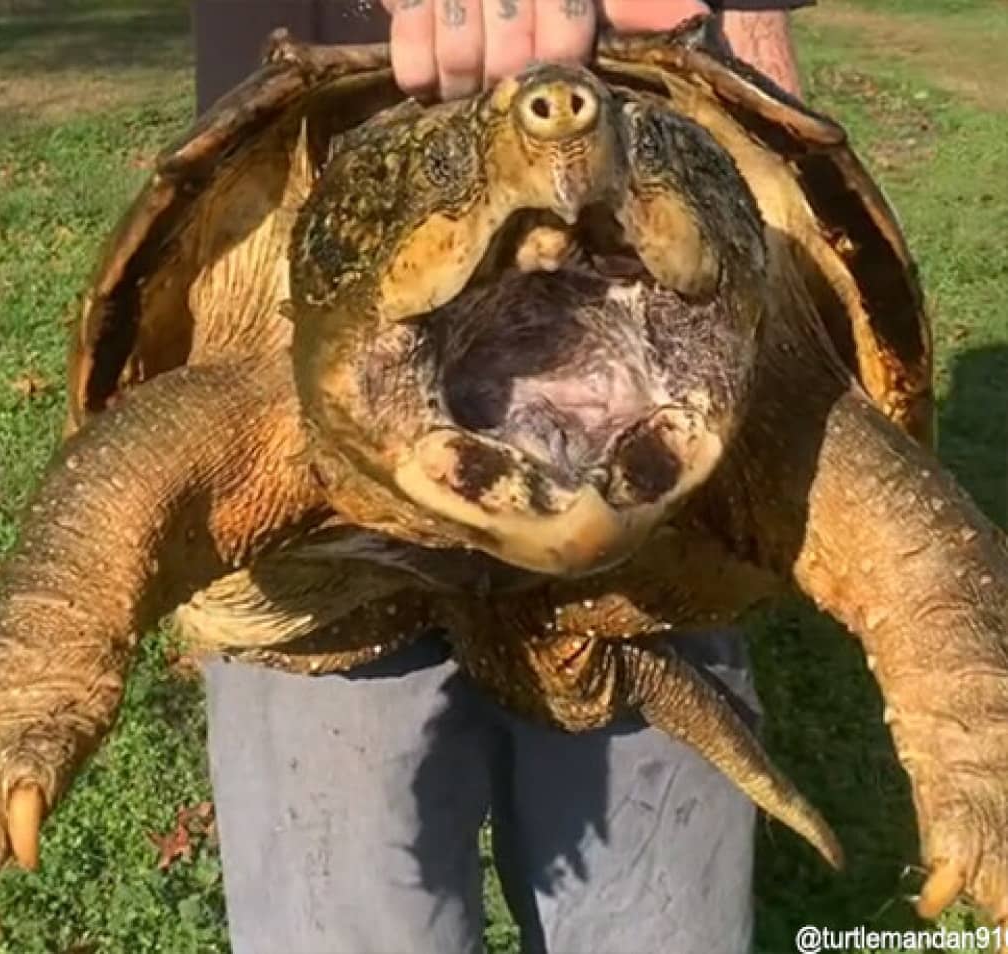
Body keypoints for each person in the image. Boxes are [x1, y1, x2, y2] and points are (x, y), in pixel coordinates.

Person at [195, 2, 809, 952]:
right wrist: (33, 692)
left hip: (652, 170)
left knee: (655, 924)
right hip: (308, 197)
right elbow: (121, 496)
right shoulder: (259, 401)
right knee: (345, 914)